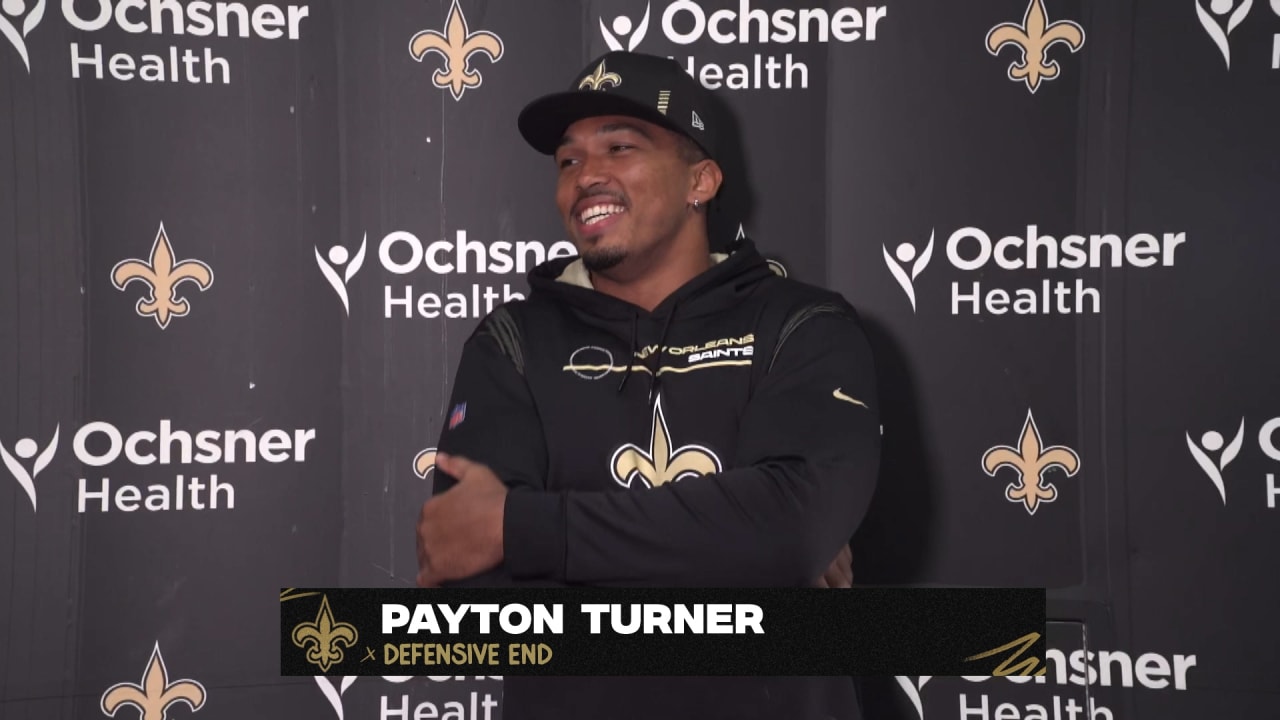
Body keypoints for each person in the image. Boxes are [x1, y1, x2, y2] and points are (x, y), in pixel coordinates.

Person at [415, 50, 881, 720]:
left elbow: (794, 525)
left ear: (702, 180)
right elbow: (472, 581)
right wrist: (746, 565)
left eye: (620, 147)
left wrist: (523, 529)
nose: (586, 177)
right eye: (568, 160)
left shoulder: (803, 323)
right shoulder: (510, 341)